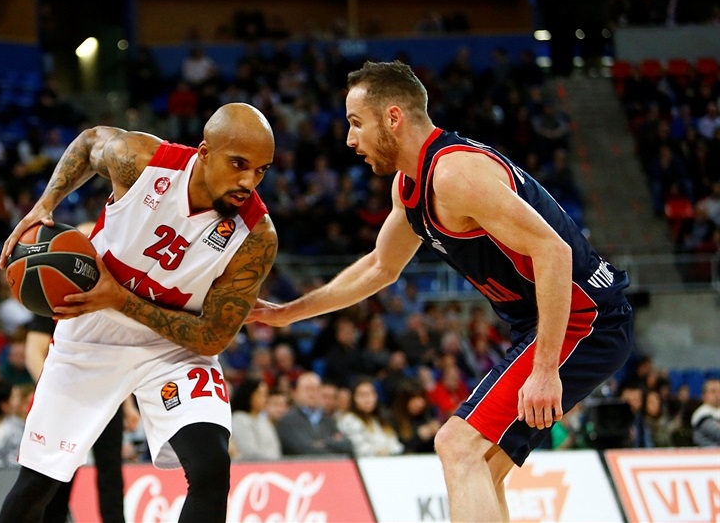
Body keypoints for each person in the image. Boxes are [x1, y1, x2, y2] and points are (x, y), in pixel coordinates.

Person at [249, 61, 634, 522]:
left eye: (356, 123)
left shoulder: (455, 175)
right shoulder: (409, 185)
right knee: (483, 468)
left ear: (393, 118)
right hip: (550, 322)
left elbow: (553, 251)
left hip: (584, 318)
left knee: (456, 445)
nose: (350, 140)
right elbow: (379, 267)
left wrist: (546, 368)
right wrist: (286, 313)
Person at [0, 102, 277, 523]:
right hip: (92, 334)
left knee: (211, 466)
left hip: (174, 347)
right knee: (39, 484)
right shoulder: (143, 162)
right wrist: (46, 203)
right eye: (238, 164)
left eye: (260, 171)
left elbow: (211, 338)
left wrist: (120, 298)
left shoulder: (256, 237)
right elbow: (90, 141)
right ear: (203, 152)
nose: (248, 181)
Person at [25, 309, 139, 523]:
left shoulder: (102, 302)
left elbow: (115, 359)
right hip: (68, 401)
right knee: (61, 471)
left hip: (106, 398)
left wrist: (128, 404)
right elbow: (33, 353)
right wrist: (55, 393)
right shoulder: (53, 299)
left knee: (111, 474)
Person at [276, 371, 353, 456]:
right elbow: (302, 448)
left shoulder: (329, 420)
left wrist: (321, 443)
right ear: (296, 393)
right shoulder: (288, 420)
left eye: (316, 389)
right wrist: (331, 446)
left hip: (329, 467)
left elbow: (346, 445)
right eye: (307, 389)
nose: (312, 394)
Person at [337, 377, 403, 457]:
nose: (368, 399)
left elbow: (397, 446)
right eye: (363, 395)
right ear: (353, 398)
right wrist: (381, 452)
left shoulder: (380, 419)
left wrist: (388, 451)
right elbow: (360, 450)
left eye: (372, 394)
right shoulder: (349, 420)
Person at [230, 376, 282, 461]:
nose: (265, 399)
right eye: (260, 394)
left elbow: (276, 449)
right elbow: (249, 452)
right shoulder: (240, 419)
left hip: (274, 468)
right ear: (249, 395)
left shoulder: (264, 421)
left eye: (266, 395)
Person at [691, 378, 720, 446]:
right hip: (706, 453)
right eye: (713, 391)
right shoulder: (702, 413)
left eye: (719, 392)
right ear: (703, 395)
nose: (717, 396)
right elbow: (717, 433)